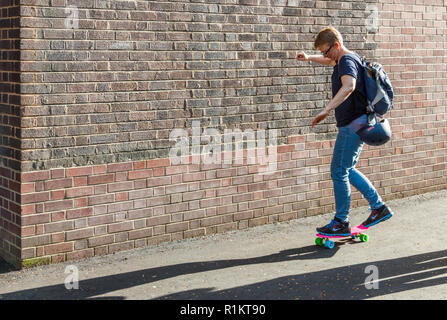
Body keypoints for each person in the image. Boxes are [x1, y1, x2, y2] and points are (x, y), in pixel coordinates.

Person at [296, 26, 393, 236]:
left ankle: (341, 222)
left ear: (337, 45)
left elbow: (348, 86)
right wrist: (310, 57)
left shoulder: (347, 61)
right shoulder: (347, 58)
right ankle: (378, 207)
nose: (325, 55)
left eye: (326, 51)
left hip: (352, 124)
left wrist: (326, 110)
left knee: (339, 171)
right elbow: (331, 61)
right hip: (360, 122)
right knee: (347, 169)